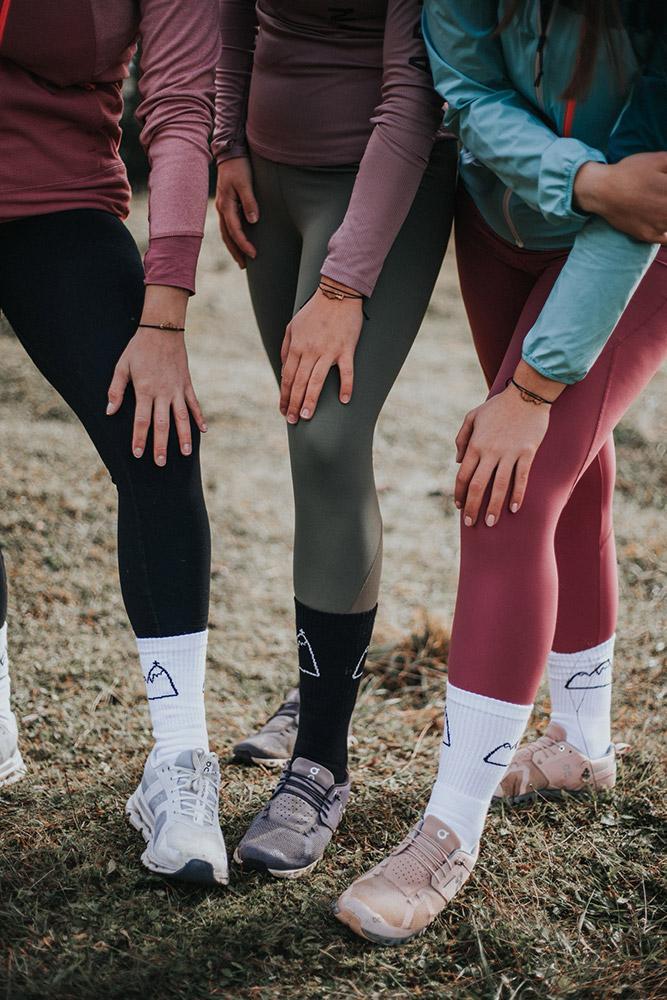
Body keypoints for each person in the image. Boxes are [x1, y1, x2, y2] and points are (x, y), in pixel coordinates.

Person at [335, 0, 667, 943]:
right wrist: (589, 178)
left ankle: (449, 831)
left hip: (636, 250)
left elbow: (647, 197)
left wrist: (532, 387)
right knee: (573, 476)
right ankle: (582, 745)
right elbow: (470, 96)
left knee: (504, 496)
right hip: (497, 227)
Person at [214, 0, 458, 877]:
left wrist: (345, 287)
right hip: (266, 177)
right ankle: (321, 689)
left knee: (325, 444)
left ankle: (320, 763)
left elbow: (411, 93)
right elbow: (227, 16)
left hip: (376, 179)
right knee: (305, 442)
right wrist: (226, 144)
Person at [0, 0, 228, 886]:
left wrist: (163, 312)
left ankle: (177, 763)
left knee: (158, 437)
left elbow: (176, 106)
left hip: (58, 199)